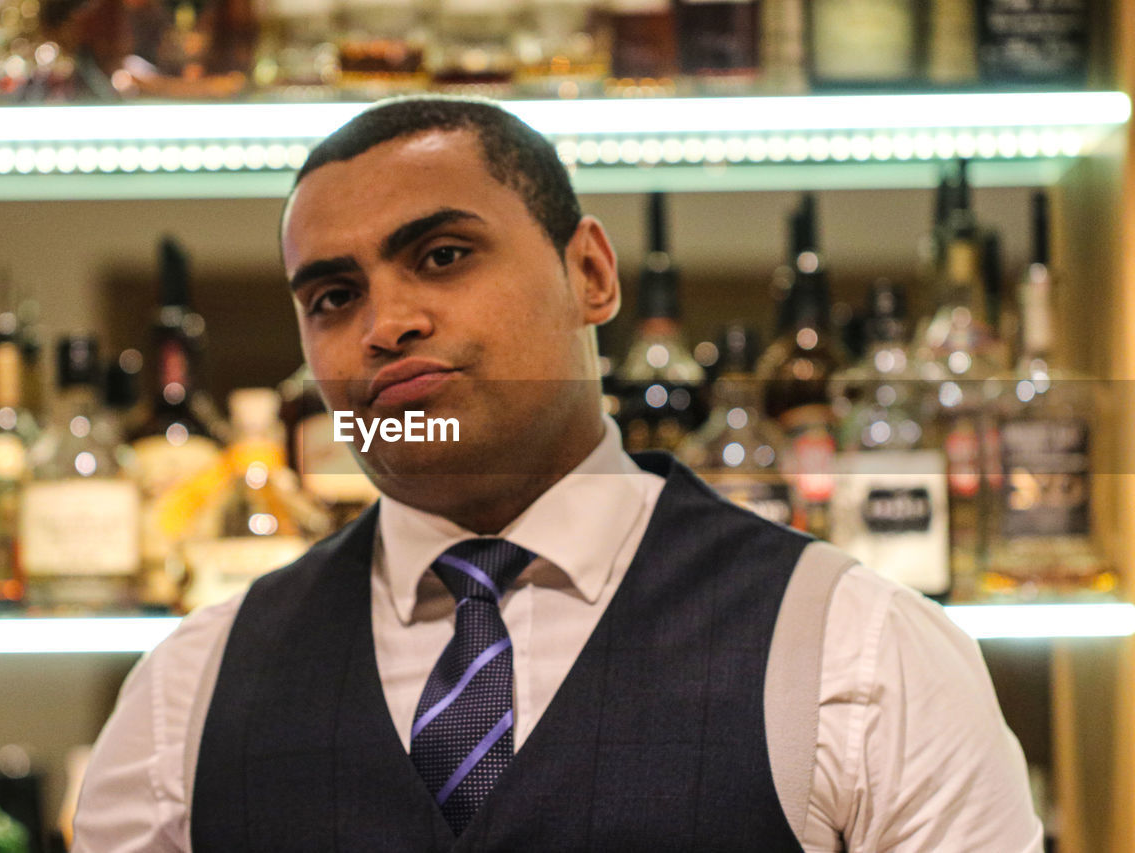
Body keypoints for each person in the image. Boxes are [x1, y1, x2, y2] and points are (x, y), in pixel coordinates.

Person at [73, 97, 1044, 852]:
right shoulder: (187, 692)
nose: (385, 323)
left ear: (589, 273)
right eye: (333, 295)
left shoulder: (857, 651)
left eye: (442, 255)